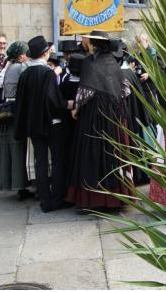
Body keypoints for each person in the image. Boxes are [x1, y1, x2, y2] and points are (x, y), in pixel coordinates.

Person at [66, 30, 132, 209]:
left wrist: (76, 109)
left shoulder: (89, 62)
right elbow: (126, 90)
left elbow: (85, 91)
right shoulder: (112, 61)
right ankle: (117, 198)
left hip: (95, 116)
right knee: (114, 153)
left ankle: (94, 200)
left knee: (93, 153)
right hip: (115, 115)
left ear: (93, 44)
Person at [14, 36, 68, 212]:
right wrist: (67, 105)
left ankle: (45, 199)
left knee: (41, 161)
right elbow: (53, 101)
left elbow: (20, 103)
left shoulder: (25, 75)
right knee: (58, 160)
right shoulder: (47, 73)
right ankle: (58, 197)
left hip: (34, 125)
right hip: (52, 123)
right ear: (45, 53)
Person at [0, 40, 29, 198]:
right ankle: (20, 186)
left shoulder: (10, 67)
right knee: (17, 149)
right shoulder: (20, 67)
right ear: (21, 55)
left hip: (7, 109)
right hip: (15, 111)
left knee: (7, 149)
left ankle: (11, 183)